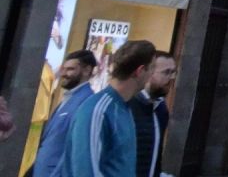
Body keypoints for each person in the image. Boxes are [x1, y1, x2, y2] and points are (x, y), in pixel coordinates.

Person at [63, 39, 154, 177]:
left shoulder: (125, 107)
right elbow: (86, 171)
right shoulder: (98, 110)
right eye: (152, 68)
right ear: (140, 71)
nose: (152, 75)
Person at [35, 49, 100, 177]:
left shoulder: (86, 103)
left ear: (87, 70)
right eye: (63, 69)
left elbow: (75, 149)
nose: (63, 73)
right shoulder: (68, 99)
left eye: (70, 69)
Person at [129, 51, 176, 177]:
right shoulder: (129, 106)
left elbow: (155, 153)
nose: (172, 78)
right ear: (148, 73)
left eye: (173, 72)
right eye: (166, 72)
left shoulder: (161, 109)